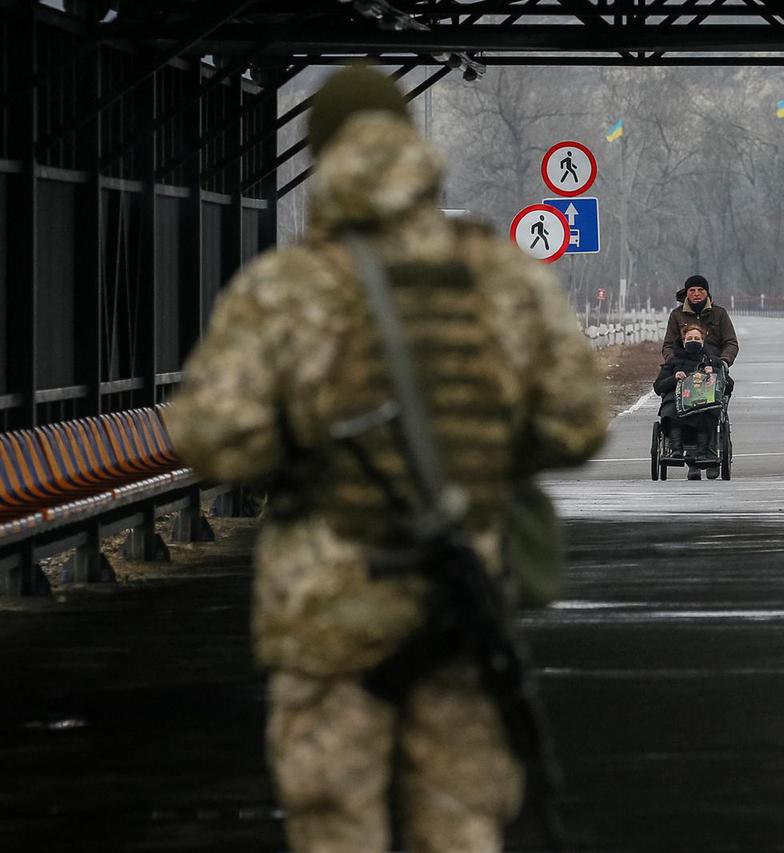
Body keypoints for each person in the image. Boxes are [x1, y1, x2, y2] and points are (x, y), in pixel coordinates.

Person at [164, 66, 608, 853]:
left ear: (324, 153)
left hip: (326, 621)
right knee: (464, 828)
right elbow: (578, 420)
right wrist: (487, 451)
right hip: (461, 607)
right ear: (410, 145)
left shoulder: (286, 288)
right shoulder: (496, 274)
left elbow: (212, 436)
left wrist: (303, 448)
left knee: (337, 831)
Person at [653, 324, 726, 480]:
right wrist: (674, 378)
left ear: (703, 340)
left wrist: (713, 374)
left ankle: (702, 452)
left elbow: (728, 385)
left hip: (702, 399)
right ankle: (676, 449)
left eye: (697, 338)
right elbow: (658, 387)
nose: (693, 341)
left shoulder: (711, 361)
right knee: (671, 409)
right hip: (678, 398)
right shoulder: (673, 362)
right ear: (683, 340)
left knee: (705, 409)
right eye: (689, 338)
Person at [661, 274, 739, 366]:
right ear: (687, 293)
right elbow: (668, 345)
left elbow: (731, 342)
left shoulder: (719, 313)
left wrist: (724, 361)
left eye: (701, 290)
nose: (696, 293)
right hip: (683, 367)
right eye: (692, 290)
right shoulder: (677, 315)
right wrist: (673, 362)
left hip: (714, 366)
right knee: (662, 380)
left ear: (707, 292)